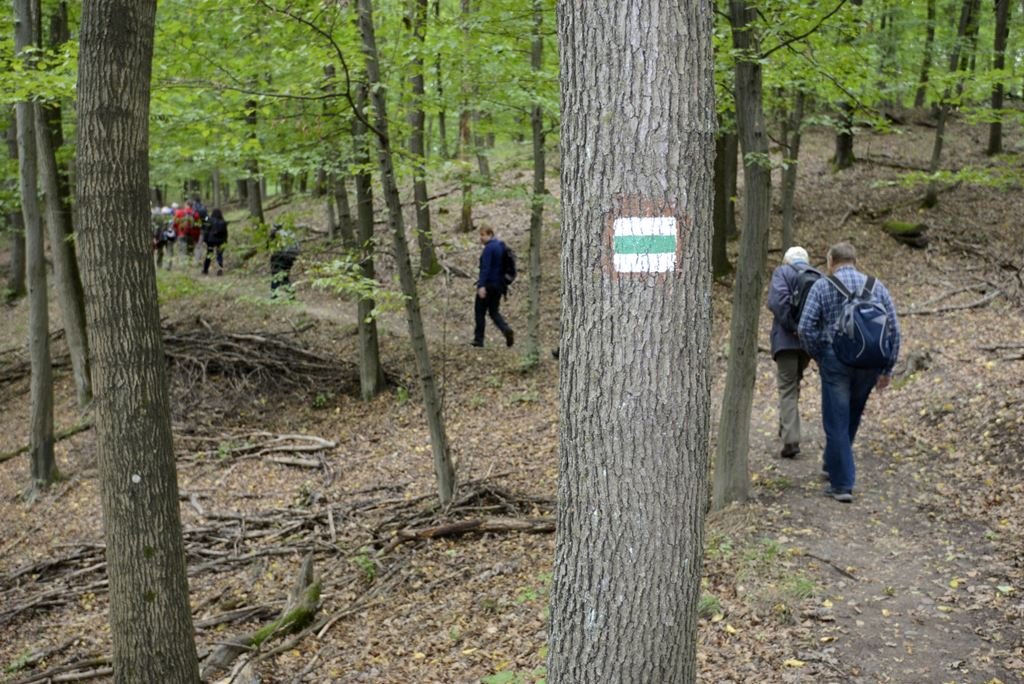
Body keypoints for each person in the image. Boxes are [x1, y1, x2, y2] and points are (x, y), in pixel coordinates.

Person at [798, 242, 901, 503]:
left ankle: (842, 484)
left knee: (836, 420)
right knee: (851, 417)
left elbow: (805, 327)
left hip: (836, 362)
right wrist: (887, 368)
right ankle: (833, 463)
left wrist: (819, 354)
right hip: (870, 363)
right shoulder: (876, 286)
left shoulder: (823, 285)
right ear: (855, 260)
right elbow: (894, 331)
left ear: (831, 260)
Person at [766, 246, 817, 459]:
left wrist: (793, 327)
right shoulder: (817, 276)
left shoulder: (782, 273)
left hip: (786, 342)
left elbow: (777, 302)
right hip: (808, 343)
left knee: (787, 387)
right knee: (794, 383)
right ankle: (785, 428)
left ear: (787, 260)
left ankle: (790, 439)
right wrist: (807, 330)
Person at [472, 225, 514, 348]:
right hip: (499, 285)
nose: (481, 238)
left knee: (479, 311)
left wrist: (481, 286)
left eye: (483, 235)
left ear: (490, 235)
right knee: (494, 312)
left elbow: (485, 268)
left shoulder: (489, 249)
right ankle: (506, 329)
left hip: (489, 284)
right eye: (480, 235)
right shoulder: (501, 246)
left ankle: (478, 340)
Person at [203, 208, 228, 275]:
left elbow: (206, 231)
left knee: (209, 254)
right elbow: (225, 233)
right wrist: (225, 241)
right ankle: (219, 268)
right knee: (219, 255)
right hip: (221, 240)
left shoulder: (209, 220)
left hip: (211, 240)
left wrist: (205, 240)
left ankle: (205, 269)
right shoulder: (223, 222)